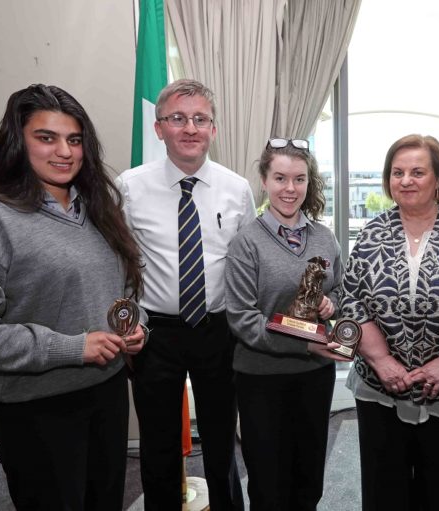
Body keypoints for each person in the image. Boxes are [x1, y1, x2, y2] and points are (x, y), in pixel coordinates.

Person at [0, 84, 146, 510]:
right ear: (17, 141)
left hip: (106, 395)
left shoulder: (100, 211)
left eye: (74, 139)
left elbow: (121, 292)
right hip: (36, 410)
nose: (64, 151)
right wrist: (70, 347)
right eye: (46, 137)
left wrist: (136, 330)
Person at [116, 79, 253, 510]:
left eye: (200, 119)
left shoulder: (238, 189)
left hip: (218, 329)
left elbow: (248, 264)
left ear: (213, 128)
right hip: (155, 333)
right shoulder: (129, 187)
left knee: (220, 440)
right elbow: (119, 263)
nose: (189, 128)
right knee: (158, 445)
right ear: (159, 129)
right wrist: (128, 322)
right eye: (178, 118)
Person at [339, 134, 439, 511]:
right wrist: (382, 361)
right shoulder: (371, 235)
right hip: (380, 390)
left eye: (417, 172)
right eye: (397, 172)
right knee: (383, 489)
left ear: (438, 179)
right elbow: (353, 299)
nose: (405, 180)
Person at [225, 138, 347, 510]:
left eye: (299, 179)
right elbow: (243, 319)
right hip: (262, 378)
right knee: (267, 480)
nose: (290, 189)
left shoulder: (325, 238)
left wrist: (331, 304)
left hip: (315, 375)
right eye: (280, 178)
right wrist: (304, 344)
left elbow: (343, 291)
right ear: (264, 180)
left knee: (309, 476)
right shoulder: (246, 242)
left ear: (309, 183)